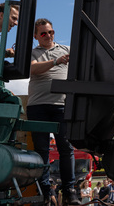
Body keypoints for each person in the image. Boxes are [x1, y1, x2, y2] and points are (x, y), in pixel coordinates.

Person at [27, 18, 80, 205]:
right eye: (43, 33)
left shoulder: (67, 50)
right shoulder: (32, 53)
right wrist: (56, 61)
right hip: (37, 106)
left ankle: (70, 191)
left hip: (62, 105)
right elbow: (32, 69)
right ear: (35, 36)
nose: (48, 36)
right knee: (41, 150)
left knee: (66, 148)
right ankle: (45, 192)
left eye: (51, 32)